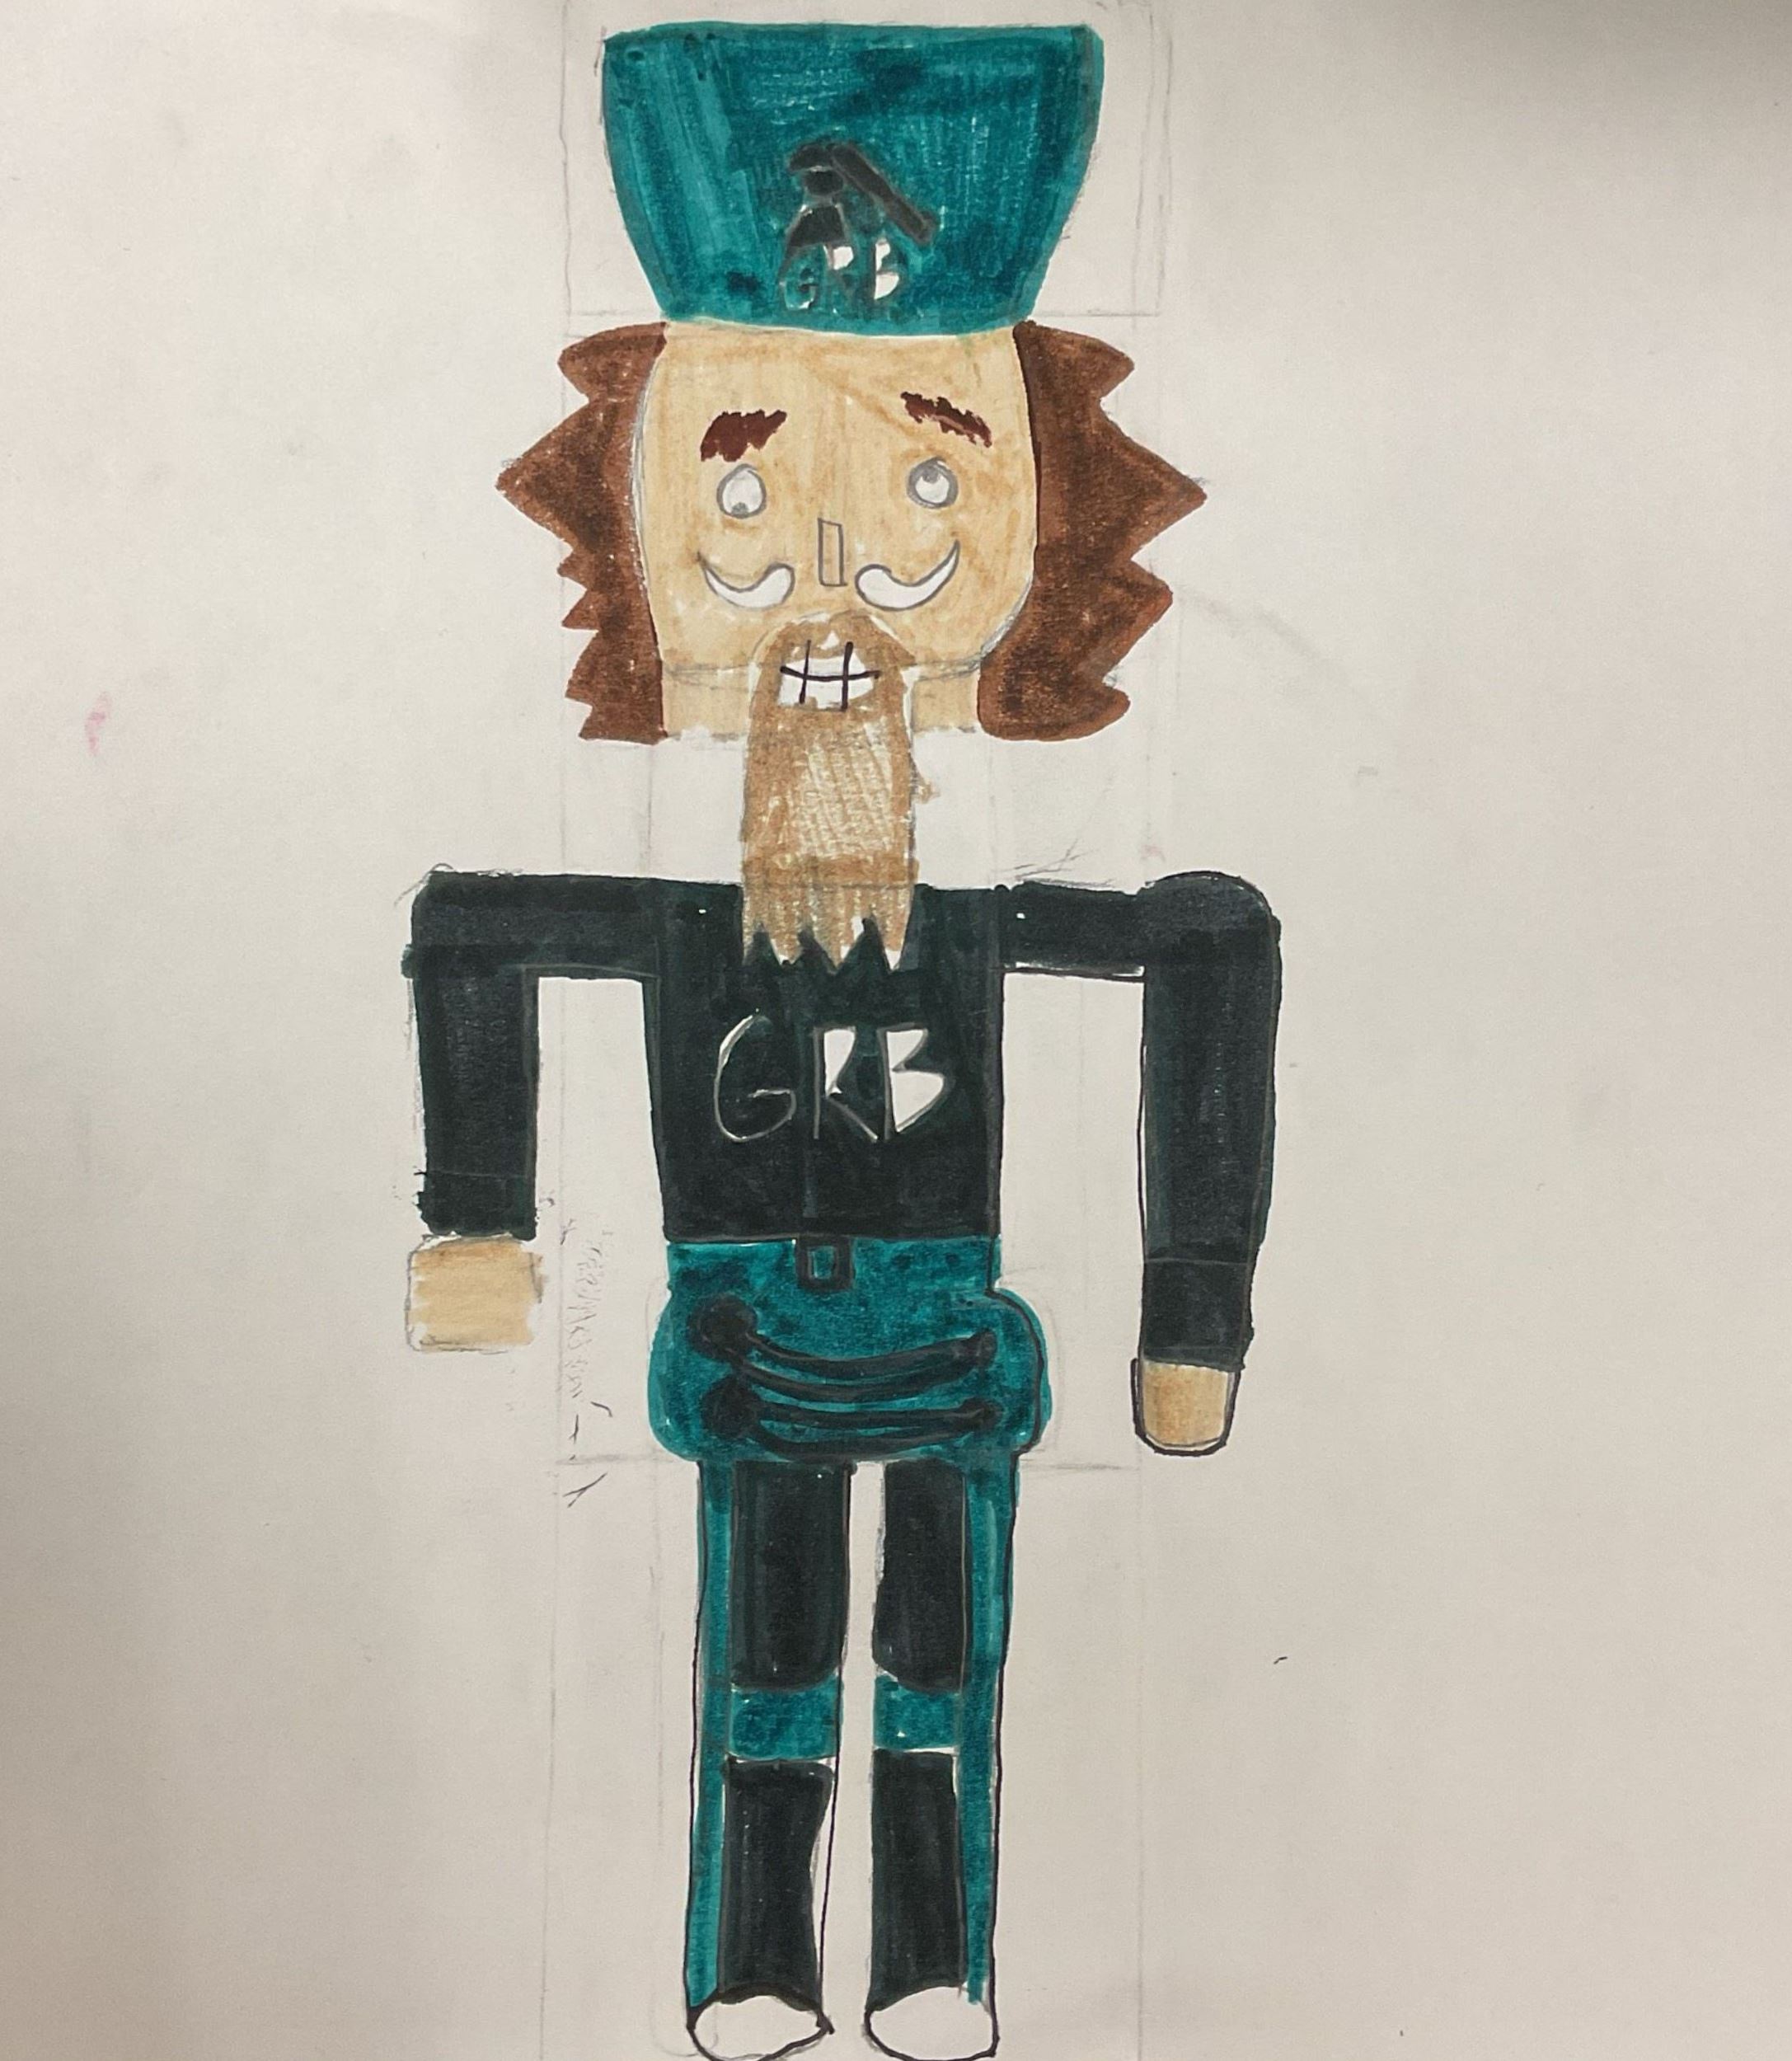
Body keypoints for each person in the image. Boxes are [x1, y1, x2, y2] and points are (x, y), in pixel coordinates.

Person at [403, 25, 1280, 2061]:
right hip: (747, 1334)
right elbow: (466, 931)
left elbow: (1213, 939)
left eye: (925, 481)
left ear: (1044, 527)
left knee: (941, 1671)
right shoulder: (690, 909)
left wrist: (1193, 1308)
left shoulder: (971, 903)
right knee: (771, 1657)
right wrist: (477, 1223)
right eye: (739, 486)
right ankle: (752, 1962)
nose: (833, 565)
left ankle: (932, 1961)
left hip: (949, 1332)